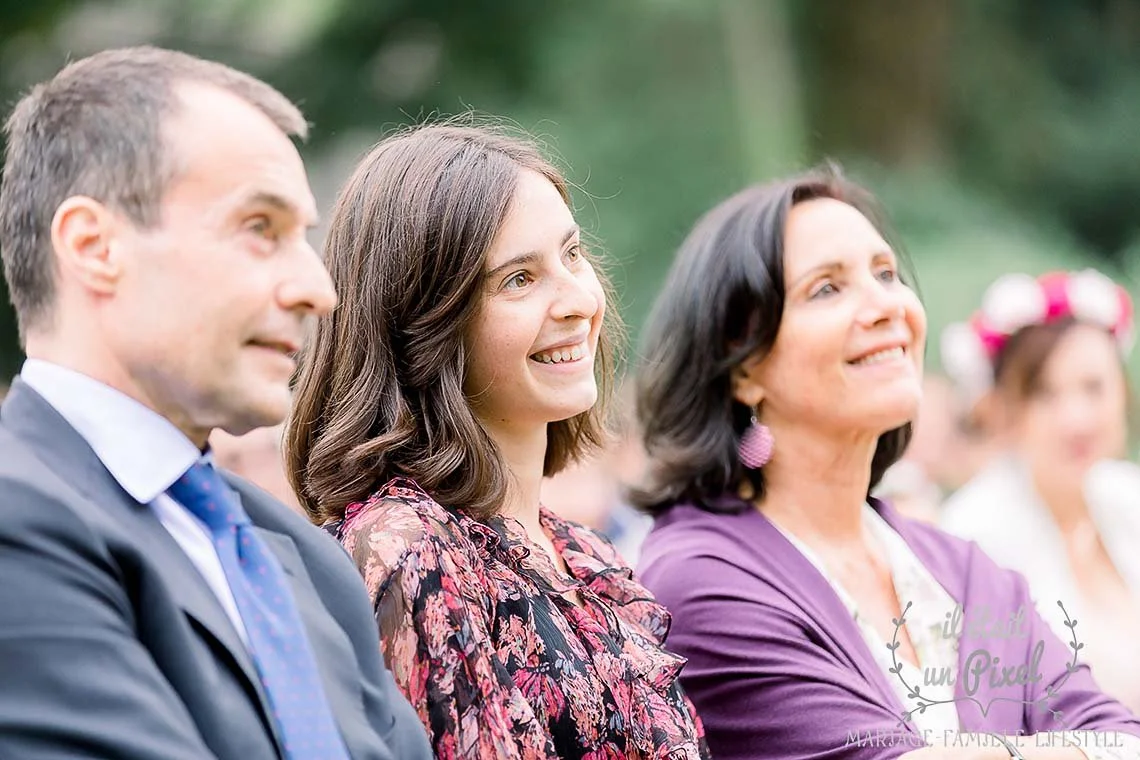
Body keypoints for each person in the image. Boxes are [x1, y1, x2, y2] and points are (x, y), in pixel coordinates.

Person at [0, 46, 430, 760]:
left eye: (305, 237)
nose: (318, 291)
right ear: (94, 245)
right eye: (260, 229)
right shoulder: (19, 523)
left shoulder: (301, 557)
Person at [630, 167, 1140, 760]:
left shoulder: (963, 570)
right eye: (827, 288)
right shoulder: (706, 577)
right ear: (743, 365)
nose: (886, 306)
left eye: (886, 273)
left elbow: (1122, 736)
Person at [285, 122, 710, 760]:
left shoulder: (581, 554)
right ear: (426, 323)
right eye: (519, 279)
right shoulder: (407, 551)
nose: (577, 301)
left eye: (572, 255)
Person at [940, 270, 1140, 713]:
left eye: (1093, 387)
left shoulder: (1128, 496)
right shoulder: (975, 534)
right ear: (1007, 408)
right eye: (1045, 394)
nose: (1076, 418)